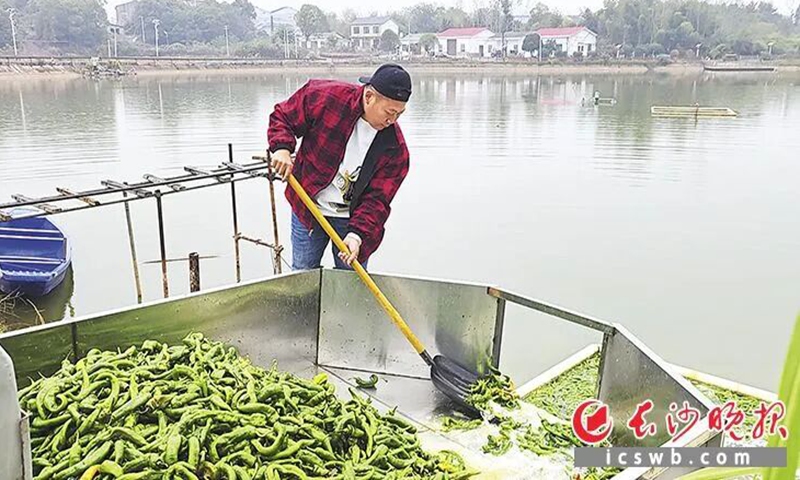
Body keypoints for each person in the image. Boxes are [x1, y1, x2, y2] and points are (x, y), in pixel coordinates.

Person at [268, 64, 412, 270]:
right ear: (369, 96)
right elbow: (283, 116)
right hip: (308, 207)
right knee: (302, 274)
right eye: (389, 112)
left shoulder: (395, 150)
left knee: (351, 283)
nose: (392, 120)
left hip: (352, 220)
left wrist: (357, 235)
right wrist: (281, 148)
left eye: (399, 114)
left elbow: (377, 201)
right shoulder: (326, 98)